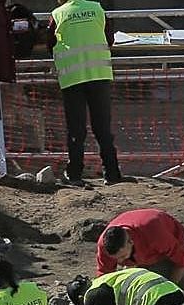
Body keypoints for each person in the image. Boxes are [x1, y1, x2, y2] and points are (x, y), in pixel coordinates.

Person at [47, 0, 124, 185]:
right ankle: (112, 174)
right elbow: (109, 39)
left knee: (76, 129)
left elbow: (50, 43)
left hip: (72, 78)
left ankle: (74, 175)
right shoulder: (97, 9)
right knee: (103, 128)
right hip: (99, 74)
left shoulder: (58, 14)